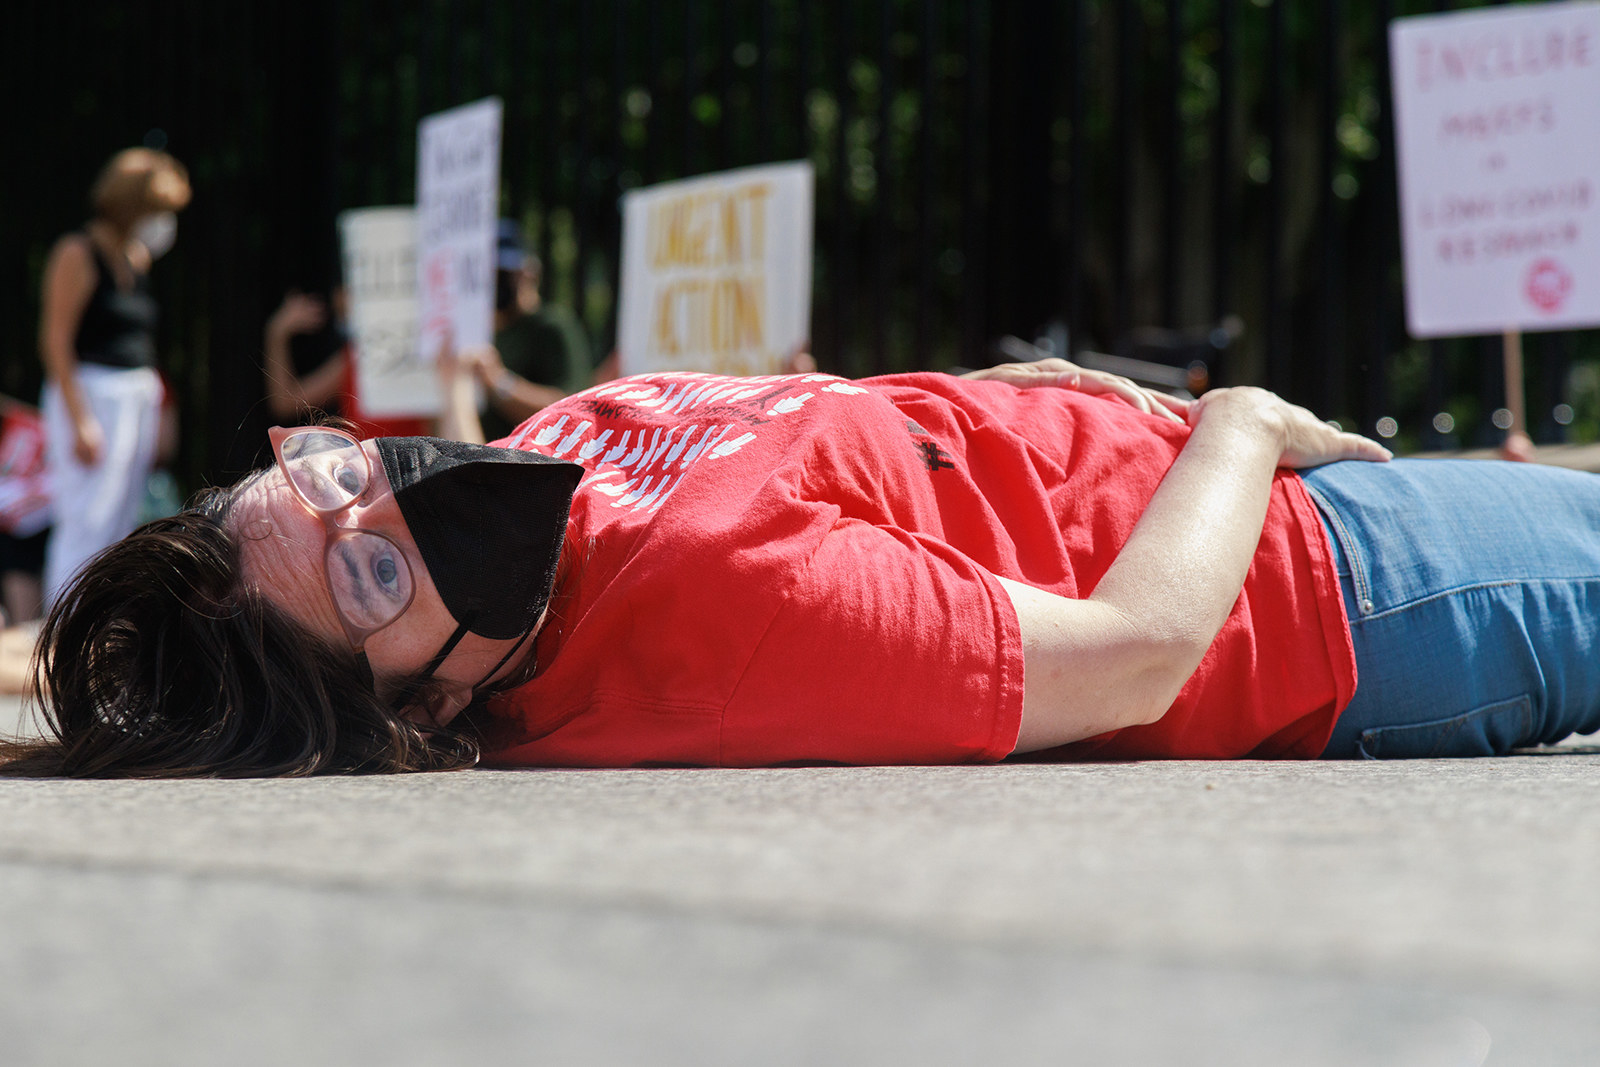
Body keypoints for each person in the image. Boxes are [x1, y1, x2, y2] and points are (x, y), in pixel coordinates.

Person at [6, 356, 1600, 778]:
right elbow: (1134, 650)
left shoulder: (566, 441)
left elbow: (848, 431)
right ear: (414, 714)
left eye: (332, 471)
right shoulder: (721, 619)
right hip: (1346, 595)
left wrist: (1039, 387)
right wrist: (1237, 428)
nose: (381, 507)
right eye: (366, 584)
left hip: (1254, 502)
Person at [37, 147, 191, 606]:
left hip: (136, 395)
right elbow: (56, 340)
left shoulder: (136, 257)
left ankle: (100, 621)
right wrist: (80, 418)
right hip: (90, 393)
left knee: (120, 518)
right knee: (87, 515)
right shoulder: (77, 253)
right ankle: (61, 620)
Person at [466, 220, 591, 443]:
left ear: (529, 273)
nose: (496, 283)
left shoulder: (553, 327)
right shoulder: (482, 333)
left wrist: (499, 382)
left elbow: (570, 409)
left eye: (504, 274)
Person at [262, 285, 434, 440]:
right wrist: (277, 333)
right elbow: (285, 403)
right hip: (368, 470)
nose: (340, 298)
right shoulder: (355, 356)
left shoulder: (427, 350)